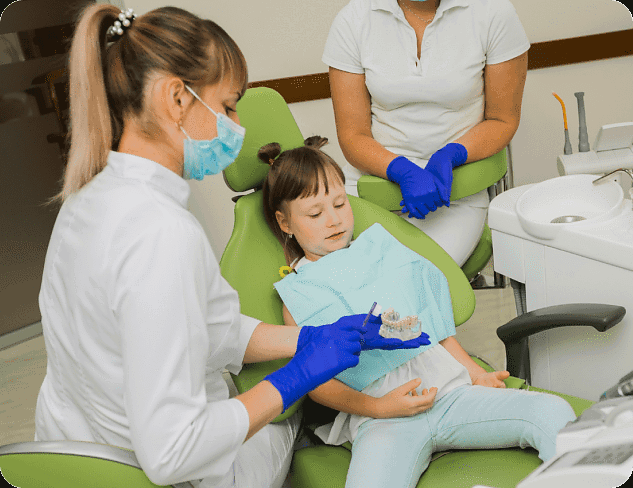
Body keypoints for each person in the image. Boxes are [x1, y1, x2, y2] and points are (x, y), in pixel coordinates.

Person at [34, 5, 424, 488]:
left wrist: (311, 338)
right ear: (177, 98)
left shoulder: (87, 199)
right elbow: (174, 452)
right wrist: (295, 378)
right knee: (288, 421)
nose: (237, 126)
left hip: (78, 460)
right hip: (168, 473)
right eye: (229, 105)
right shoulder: (161, 233)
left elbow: (206, 327)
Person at [258, 137, 577, 488]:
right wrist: (378, 408)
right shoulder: (298, 294)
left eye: (339, 203)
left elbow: (431, 319)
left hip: (450, 394)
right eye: (315, 213)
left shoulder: (380, 248)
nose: (334, 220)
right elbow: (316, 383)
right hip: (383, 419)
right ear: (285, 222)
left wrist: (473, 372)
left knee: (553, 412)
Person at [323, 0, 530, 266]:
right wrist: (400, 169)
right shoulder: (355, 19)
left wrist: (451, 155)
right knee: (340, 275)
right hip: (371, 183)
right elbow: (353, 135)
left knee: (412, 278)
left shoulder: (492, 12)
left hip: (453, 192)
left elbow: (502, 120)